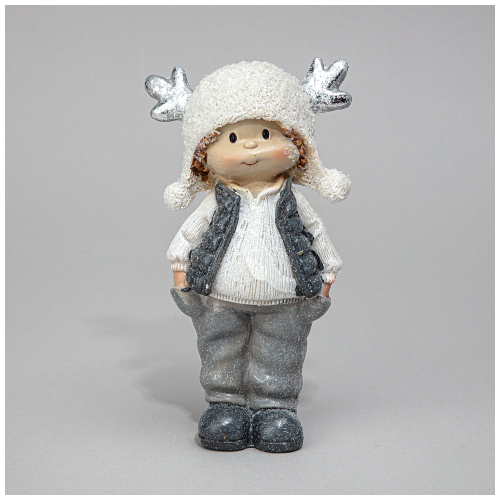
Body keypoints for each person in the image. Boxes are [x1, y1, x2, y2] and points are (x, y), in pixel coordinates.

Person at [145, 59, 352, 452]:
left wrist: (324, 285)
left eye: (266, 133)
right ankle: (225, 403)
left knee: (281, 351)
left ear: (298, 145)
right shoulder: (216, 201)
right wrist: (183, 284)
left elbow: (321, 240)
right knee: (220, 348)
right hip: (219, 298)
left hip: (286, 300)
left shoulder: (292, 201)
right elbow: (184, 240)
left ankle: (275, 406)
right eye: (232, 138)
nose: (251, 146)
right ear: (203, 153)